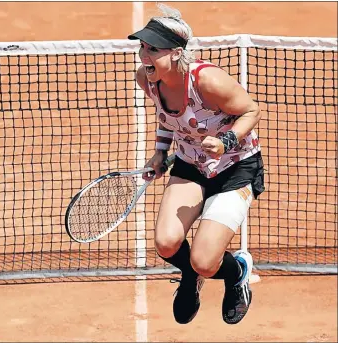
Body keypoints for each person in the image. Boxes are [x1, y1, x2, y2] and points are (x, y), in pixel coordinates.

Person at [128, 3, 265, 325]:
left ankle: (237, 272)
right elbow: (166, 119)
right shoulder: (147, 80)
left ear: (176, 53)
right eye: (142, 47)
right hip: (191, 165)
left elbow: (251, 111)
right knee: (166, 244)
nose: (144, 56)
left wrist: (225, 142)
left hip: (235, 168)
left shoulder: (209, 81)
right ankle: (191, 277)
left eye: (153, 50)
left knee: (205, 260)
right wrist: (161, 152)